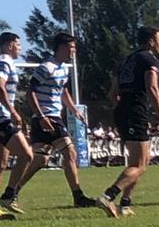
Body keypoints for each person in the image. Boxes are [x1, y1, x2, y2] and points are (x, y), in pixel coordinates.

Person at [7, 33, 99, 208]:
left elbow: (62, 90)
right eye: (72, 47)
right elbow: (30, 92)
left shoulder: (63, 68)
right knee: (70, 153)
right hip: (47, 117)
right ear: (62, 48)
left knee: (40, 160)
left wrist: (74, 110)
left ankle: (12, 191)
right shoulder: (46, 67)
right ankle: (78, 196)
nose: (74, 51)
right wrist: (41, 116)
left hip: (52, 117)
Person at [96, 26, 159, 218]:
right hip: (135, 111)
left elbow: (112, 93)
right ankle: (108, 196)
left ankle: (125, 204)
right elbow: (153, 89)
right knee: (139, 164)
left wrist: (123, 108)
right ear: (151, 41)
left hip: (124, 110)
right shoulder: (148, 59)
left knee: (140, 162)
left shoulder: (126, 61)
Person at [0, 32, 37, 214]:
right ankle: (9, 195)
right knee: (27, 156)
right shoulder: (4, 61)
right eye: (18, 44)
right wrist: (13, 110)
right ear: (9, 45)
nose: (20, 48)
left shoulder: (3, 61)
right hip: (1, 118)